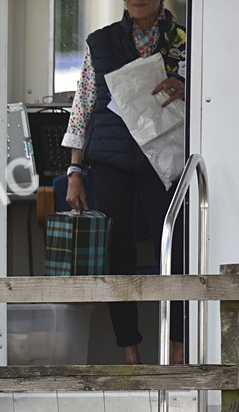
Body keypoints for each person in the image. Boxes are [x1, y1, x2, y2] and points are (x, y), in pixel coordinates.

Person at [63, 0, 188, 366]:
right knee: (117, 253)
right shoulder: (100, 42)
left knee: (175, 250)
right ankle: (128, 351)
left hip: (164, 160)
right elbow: (83, 105)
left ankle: (178, 347)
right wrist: (74, 171)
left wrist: (184, 86)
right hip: (109, 161)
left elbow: (214, 93)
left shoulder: (184, 40)